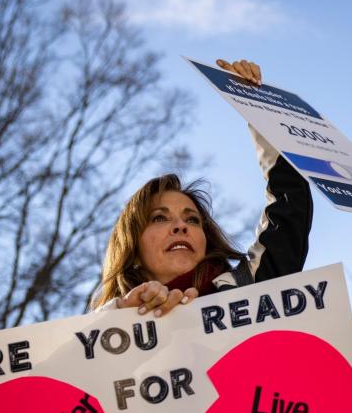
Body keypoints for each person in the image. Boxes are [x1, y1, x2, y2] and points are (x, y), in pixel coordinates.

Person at [93, 59, 312, 315]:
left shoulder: (248, 288)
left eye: (193, 220)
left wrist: (256, 105)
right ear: (133, 251)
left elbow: (290, 203)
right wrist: (117, 315)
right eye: (159, 218)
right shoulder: (106, 323)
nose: (180, 226)